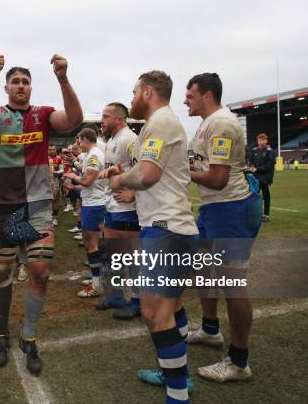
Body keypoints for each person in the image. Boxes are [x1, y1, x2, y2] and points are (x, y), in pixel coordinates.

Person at [0, 53, 83, 375]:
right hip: (5, 208)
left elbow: (74, 119)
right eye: (15, 81)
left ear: (31, 88)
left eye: (25, 82)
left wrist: (63, 78)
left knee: (41, 272)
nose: (20, 86)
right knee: (3, 274)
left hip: (39, 207)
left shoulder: (43, 115)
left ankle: (28, 336)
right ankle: (2, 334)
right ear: (6, 87)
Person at [107, 71, 198, 403]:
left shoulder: (160, 122)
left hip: (166, 230)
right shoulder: (159, 123)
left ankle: (177, 392)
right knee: (169, 309)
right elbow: (155, 177)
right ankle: (178, 376)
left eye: (133, 92)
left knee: (154, 313)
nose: (131, 98)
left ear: (148, 91)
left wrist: (120, 182)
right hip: (168, 228)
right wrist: (132, 186)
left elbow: (145, 174)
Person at [185, 72, 262, 382]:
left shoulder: (221, 124)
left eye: (190, 95)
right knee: (203, 270)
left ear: (206, 95)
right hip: (214, 209)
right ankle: (210, 329)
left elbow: (217, 179)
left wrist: (181, 171)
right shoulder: (208, 123)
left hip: (231, 208)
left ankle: (239, 362)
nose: (185, 100)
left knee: (233, 284)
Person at [97, 102, 141, 319]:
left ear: (119, 119)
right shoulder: (112, 140)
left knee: (131, 256)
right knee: (113, 253)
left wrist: (134, 193)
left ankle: (138, 301)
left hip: (127, 208)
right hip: (112, 205)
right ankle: (115, 296)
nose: (102, 120)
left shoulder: (130, 139)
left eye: (106, 116)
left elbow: (145, 168)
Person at [64, 128, 107, 298]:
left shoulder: (95, 155)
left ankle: (98, 284)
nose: (78, 144)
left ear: (84, 139)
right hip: (92, 202)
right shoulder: (92, 154)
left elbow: (88, 181)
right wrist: (75, 187)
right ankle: (98, 279)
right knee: (90, 243)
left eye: (78, 141)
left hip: (96, 204)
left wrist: (72, 176)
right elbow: (89, 184)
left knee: (92, 244)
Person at [248, 133, 275, 222]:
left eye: (263, 140)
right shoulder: (254, 150)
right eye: (259, 140)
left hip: (265, 176)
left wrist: (257, 169)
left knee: (264, 194)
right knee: (254, 194)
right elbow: (250, 160)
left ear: (266, 141)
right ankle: (254, 213)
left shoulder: (270, 151)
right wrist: (251, 166)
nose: (261, 142)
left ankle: (266, 215)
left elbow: (269, 164)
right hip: (255, 176)